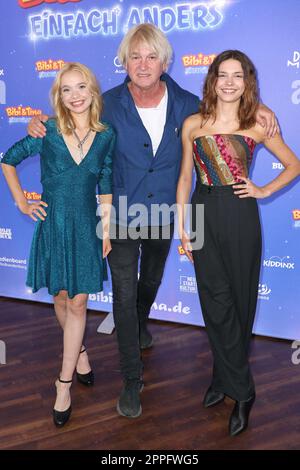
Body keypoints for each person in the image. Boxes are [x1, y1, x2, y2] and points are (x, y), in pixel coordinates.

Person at [27, 24, 278, 419]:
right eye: (135, 57)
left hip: (164, 215)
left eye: (151, 57)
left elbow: (229, 109)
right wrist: (37, 123)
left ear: (164, 61)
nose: (143, 65)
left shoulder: (188, 103)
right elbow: (69, 114)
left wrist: (262, 109)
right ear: (124, 61)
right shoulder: (105, 103)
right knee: (123, 297)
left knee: (149, 284)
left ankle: (142, 323)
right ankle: (131, 379)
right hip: (122, 216)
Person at [177, 50, 300, 436]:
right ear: (211, 80)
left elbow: (294, 165)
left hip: (241, 214)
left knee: (241, 301)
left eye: (238, 76)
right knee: (214, 303)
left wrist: (263, 189)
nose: (229, 82)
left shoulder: (259, 125)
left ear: (248, 82)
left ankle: (226, 380)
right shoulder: (193, 124)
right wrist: (184, 223)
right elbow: (184, 177)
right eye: (222, 75)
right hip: (203, 211)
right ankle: (242, 390)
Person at [1, 62, 115, 428]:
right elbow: (8, 160)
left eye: (82, 87)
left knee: (79, 302)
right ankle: (79, 350)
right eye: (67, 89)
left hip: (87, 227)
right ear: (59, 96)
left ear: (92, 91)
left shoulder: (106, 134)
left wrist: (108, 231)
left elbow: (107, 185)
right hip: (53, 225)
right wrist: (22, 201)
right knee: (62, 298)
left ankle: (62, 385)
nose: (75, 95)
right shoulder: (46, 130)